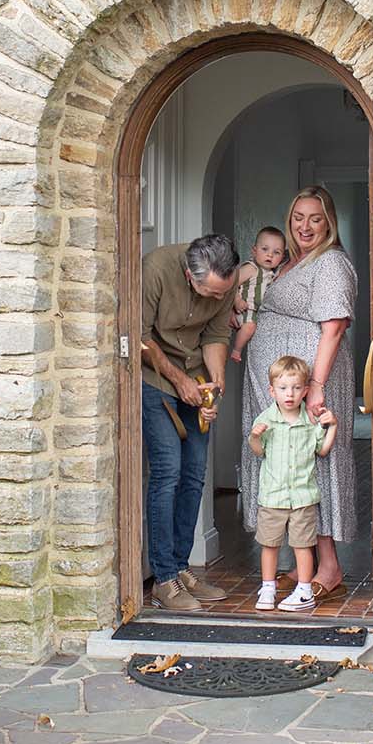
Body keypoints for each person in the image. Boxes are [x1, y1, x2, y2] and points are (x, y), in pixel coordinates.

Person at [241, 186, 358, 600]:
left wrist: (316, 387)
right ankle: (301, 560)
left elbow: (334, 327)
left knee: (312, 463)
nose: (304, 226)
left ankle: (329, 566)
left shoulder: (331, 263)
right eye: (297, 218)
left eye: (314, 218)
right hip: (282, 385)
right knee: (284, 460)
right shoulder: (291, 263)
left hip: (309, 384)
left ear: (329, 222)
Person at [141, 233, 240, 613]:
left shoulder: (224, 282)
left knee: (195, 473)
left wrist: (214, 388)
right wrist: (177, 380)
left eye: (222, 293)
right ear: (189, 275)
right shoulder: (156, 269)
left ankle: (182, 569)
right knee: (168, 470)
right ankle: (163, 579)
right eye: (210, 293)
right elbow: (140, 334)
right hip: (156, 379)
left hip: (196, 379)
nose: (217, 299)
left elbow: (216, 334)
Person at [249, 355, 337, 613]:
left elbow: (322, 450)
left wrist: (332, 426)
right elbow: (258, 450)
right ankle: (268, 587)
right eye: (283, 388)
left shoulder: (309, 422)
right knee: (269, 544)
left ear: (306, 391)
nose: (290, 394)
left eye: (297, 388)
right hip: (273, 497)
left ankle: (304, 590)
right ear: (272, 390)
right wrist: (255, 437)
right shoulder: (266, 420)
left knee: (302, 545)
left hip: (302, 497)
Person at [230, 226, 287, 363]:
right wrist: (236, 301)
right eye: (265, 249)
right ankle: (236, 350)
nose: (270, 255)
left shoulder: (273, 273)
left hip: (256, 311)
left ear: (282, 257)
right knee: (250, 327)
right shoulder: (251, 268)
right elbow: (231, 284)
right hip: (245, 307)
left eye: (276, 252)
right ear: (254, 251)